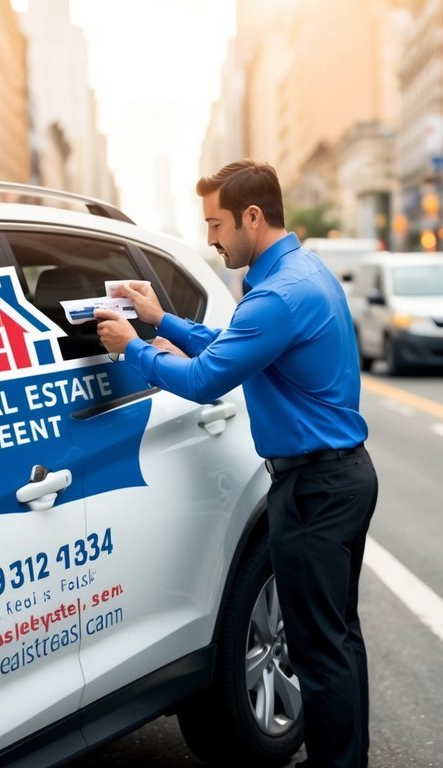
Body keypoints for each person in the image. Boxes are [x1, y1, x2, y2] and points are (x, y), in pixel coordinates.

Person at [94, 159, 377, 768]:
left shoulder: (278, 294)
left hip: (315, 488)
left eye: (216, 224)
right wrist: (161, 319)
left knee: (318, 651)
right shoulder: (299, 276)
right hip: (339, 478)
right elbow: (237, 346)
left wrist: (134, 349)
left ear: (253, 216)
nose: (211, 239)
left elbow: (205, 379)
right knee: (337, 640)